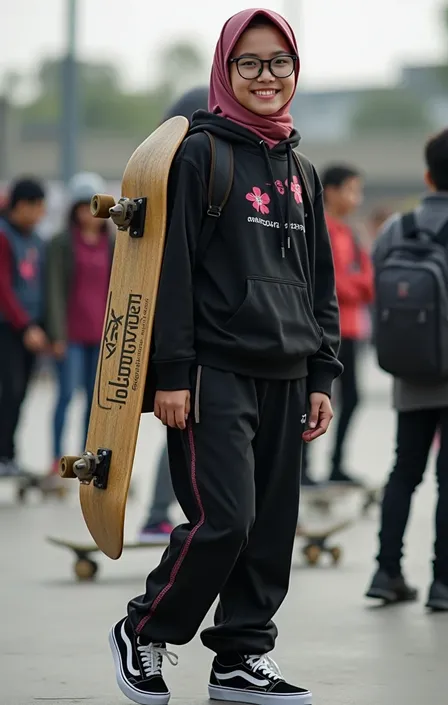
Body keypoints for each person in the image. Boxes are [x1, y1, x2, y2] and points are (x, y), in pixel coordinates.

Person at [108, 9, 342, 705]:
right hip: (215, 372)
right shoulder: (199, 155)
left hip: (289, 371)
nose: (266, 77)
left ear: (295, 71)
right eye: (250, 63)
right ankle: (143, 627)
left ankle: (241, 656)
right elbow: (170, 270)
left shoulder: (302, 169)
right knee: (225, 519)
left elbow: (318, 282)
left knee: (270, 531)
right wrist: (170, 374)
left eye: (279, 63)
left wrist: (324, 372)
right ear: (225, 70)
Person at [366, 126, 448, 610]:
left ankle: (387, 572)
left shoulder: (396, 228)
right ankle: (444, 582)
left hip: (408, 372)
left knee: (403, 470)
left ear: (428, 175)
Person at [138, 87, 209, 544]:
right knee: (187, 431)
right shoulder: (177, 184)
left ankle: (161, 511)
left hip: (195, 336)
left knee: (189, 435)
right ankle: (158, 512)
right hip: (192, 339)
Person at [45, 173, 114, 475]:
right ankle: (55, 456)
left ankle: (88, 456)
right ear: (74, 210)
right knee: (65, 395)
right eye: (84, 207)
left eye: (94, 207)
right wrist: (56, 335)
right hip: (70, 334)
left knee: (94, 399)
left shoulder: (112, 243)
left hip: (101, 335)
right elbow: (54, 291)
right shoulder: (61, 243)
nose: (90, 214)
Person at [321, 164, 373, 485]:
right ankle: (302, 469)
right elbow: (333, 282)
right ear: (331, 190)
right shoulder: (322, 229)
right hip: (327, 330)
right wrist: (355, 285)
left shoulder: (351, 231)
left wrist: (354, 285)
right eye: (351, 189)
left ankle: (337, 464)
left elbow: (369, 282)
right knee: (315, 397)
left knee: (352, 397)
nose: (356, 198)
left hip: (352, 330)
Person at [0, 177, 48, 475]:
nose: (41, 213)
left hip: (32, 329)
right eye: (37, 206)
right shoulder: (4, 236)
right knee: (11, 389)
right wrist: (25, 325)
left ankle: (8, 454)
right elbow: (3, 288)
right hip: (9, 328)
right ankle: (5, 454)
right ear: (21, 206)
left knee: (21, 393)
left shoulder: (36, 239)